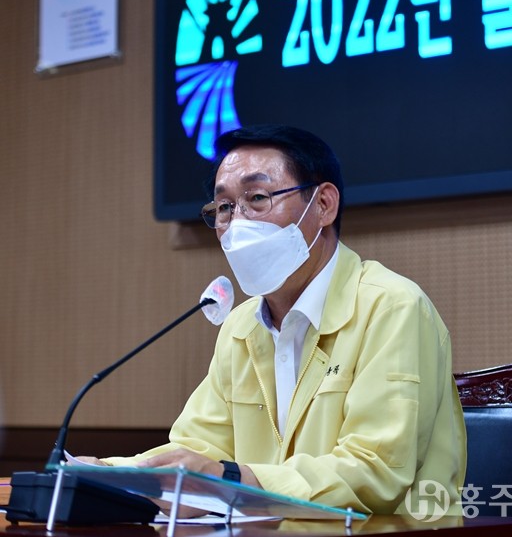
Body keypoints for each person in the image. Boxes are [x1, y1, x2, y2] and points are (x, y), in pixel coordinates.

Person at [89, 124, 467, 515]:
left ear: (323, 205)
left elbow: (375, 470)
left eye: (257, 198)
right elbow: (198, 449)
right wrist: (107, 474)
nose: (237, 224)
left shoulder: (391, 307)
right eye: (224, 207)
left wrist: (233, 479)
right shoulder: (242, 325)